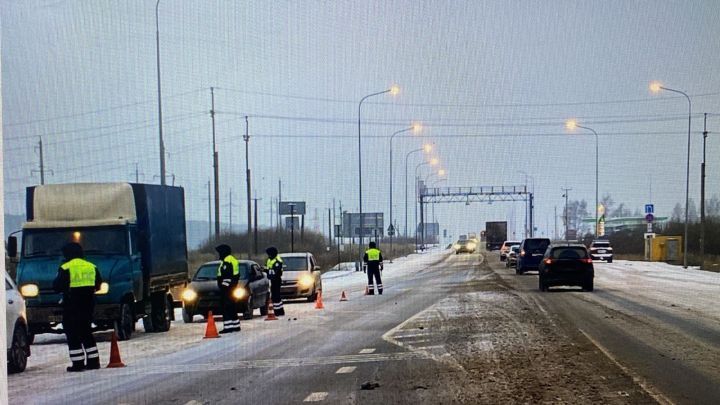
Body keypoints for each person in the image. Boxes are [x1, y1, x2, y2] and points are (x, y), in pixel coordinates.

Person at [53, 242, 103, 372]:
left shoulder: (66, 267)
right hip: (88, 304)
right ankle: (93, 362)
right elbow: (98, 284)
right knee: (86, 332)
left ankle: (78, 363)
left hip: (72, 305)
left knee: (72, 333)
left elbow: (57, 286)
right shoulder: (91, 266)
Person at [215, 244, 241, 333]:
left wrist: (223, 287)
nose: (219, 254)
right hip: (231, 288)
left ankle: (228, 327)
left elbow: (227, 277)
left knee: (226, 307)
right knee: (232, 307)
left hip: (227, 289)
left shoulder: (227, 262)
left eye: (219, 252)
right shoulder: (231, 260)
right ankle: (236, 325)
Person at [265, 246, 285, 316]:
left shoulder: (277, 261)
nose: (268, 255)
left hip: (276, 279)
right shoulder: (270, 260)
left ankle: (278, 311)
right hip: (272, 280)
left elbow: (275, 272)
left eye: (269, 254)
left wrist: (267, 271)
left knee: (276, 296)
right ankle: (278, 311)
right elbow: (269, 269)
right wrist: (265, 270)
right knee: (274, 296)